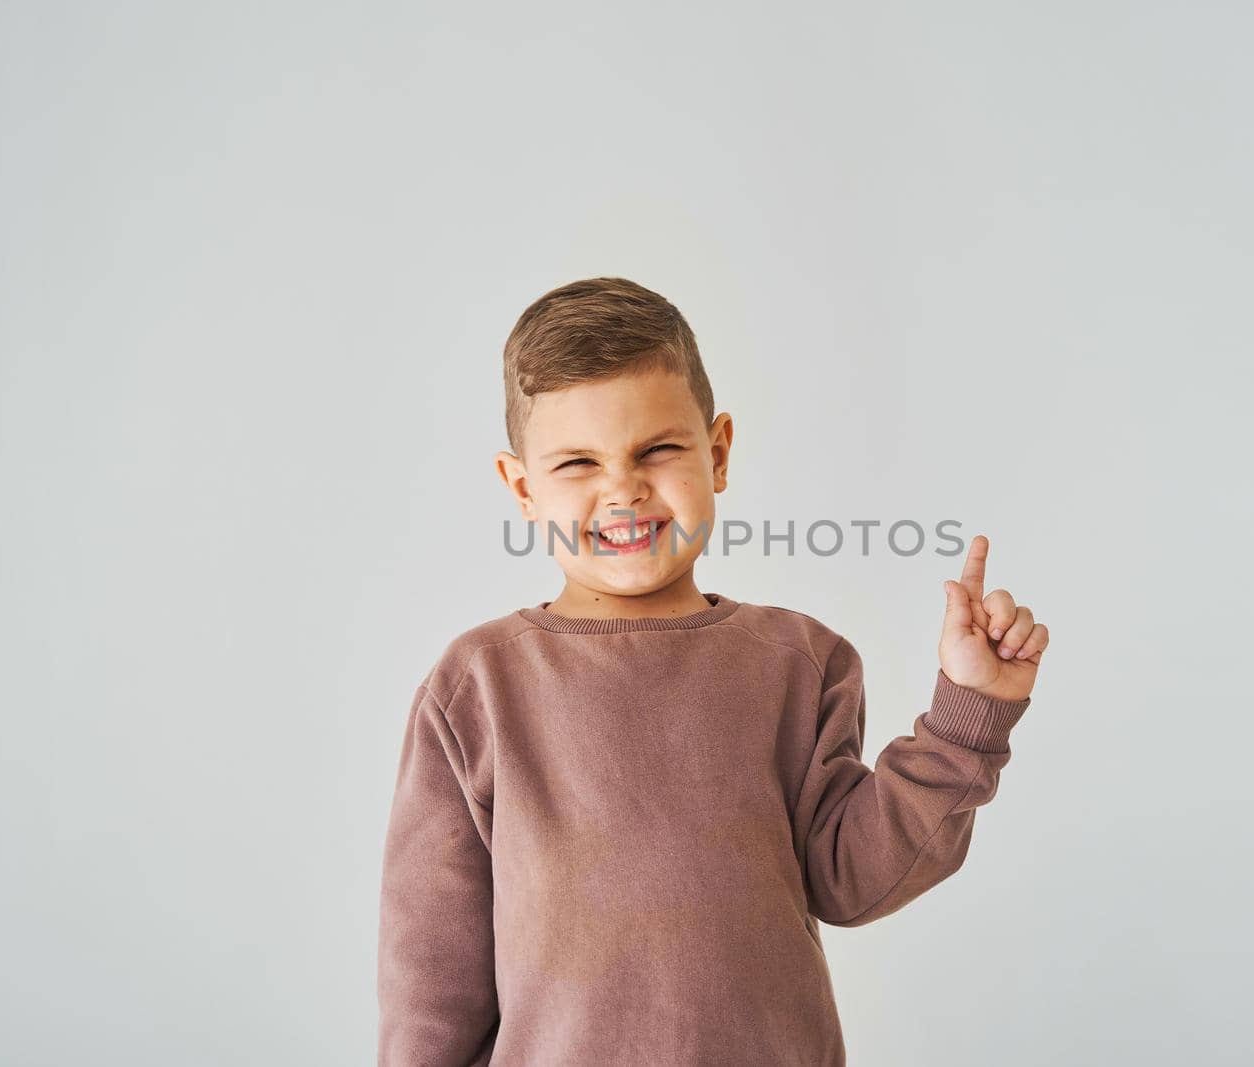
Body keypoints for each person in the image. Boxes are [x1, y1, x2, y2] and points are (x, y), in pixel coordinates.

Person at [376, 276, 1051, 1065]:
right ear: (524, 487)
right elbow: (432, 975)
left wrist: (968, 714)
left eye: (657, 449)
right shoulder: (478, 687)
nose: (622, 488)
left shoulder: (800, 664)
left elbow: (852, 879)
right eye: (578, 464)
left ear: (718, 451)